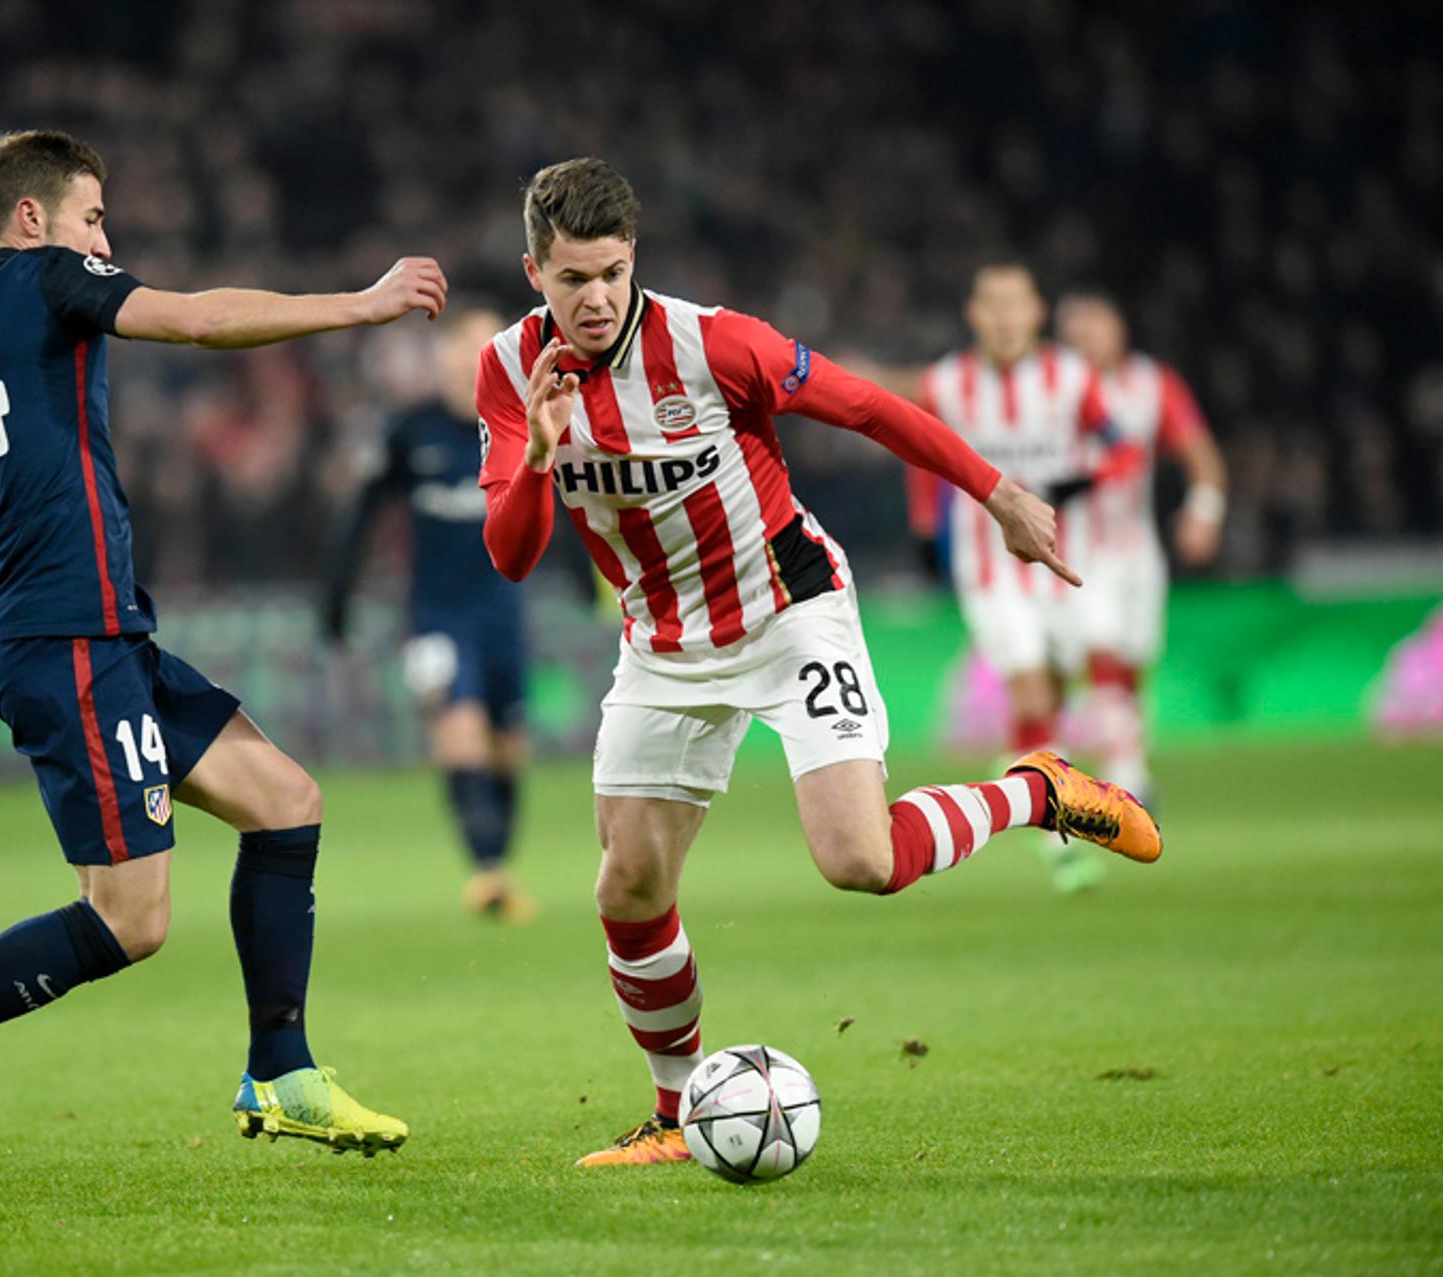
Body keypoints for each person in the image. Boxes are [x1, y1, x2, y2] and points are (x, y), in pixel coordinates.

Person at [0, 130, 446, 1189]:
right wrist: (359, 305)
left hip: (94, 634)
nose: (105, 239)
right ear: (32, 219)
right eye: (93, 217)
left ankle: (282, 1067)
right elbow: (201, 319)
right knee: (132, 919)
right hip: (64, 639)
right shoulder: (47, 276)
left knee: (285, 799)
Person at [473, 159, 1161, 1168]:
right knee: (626, 887)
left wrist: (999, 495)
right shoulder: (506, 371)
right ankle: (674, 1116)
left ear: (636, 261)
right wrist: (538, 454)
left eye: (613, 272)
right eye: (573, 277)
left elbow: (872, 409)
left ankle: (1036, 788)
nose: (596, 297)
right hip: (663, 641)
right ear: (535, 270)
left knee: (861, 860)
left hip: (788, 608)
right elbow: (512, 553)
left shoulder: (718, 344)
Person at [907, 264, 1147, 892]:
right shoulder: (947, 382)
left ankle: (1028, 774)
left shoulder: (1071, 379)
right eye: (993, 305)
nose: (1006, 317)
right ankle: (1059, 845)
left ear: (1037, 313)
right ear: (974, 314)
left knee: (1061, 686)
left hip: (1063, 559)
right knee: (1032, 691)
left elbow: (1125, 450)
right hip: (989, 571)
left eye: (1017, 304)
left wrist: (1083, 480)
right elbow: (919, 455)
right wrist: (926, 526)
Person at [320, 306, 541, 920]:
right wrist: (337, 596)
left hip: (503, 610)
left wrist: (584, 577)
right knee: (459, 729)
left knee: (507, 747)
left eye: (489, 346)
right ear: (443, 357)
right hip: (435, 616)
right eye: (465, 347)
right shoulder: (408, 431)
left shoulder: (523, 426)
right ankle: (488, 871)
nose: (477, 359)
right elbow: (363, 513)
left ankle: (498, 862)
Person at [1055, 290, 1226, 803]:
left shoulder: (1154, 385)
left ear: (1120, 330)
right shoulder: (1052, 387)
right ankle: (1124, 774)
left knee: (1132, 659)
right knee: (1099, 647)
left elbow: (1202, 456)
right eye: (1077, 331)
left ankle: (1118, 759)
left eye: (1097, 326)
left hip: (1137, 552)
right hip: (1074, 548)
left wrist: (1203, 511)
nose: (1088, 339)